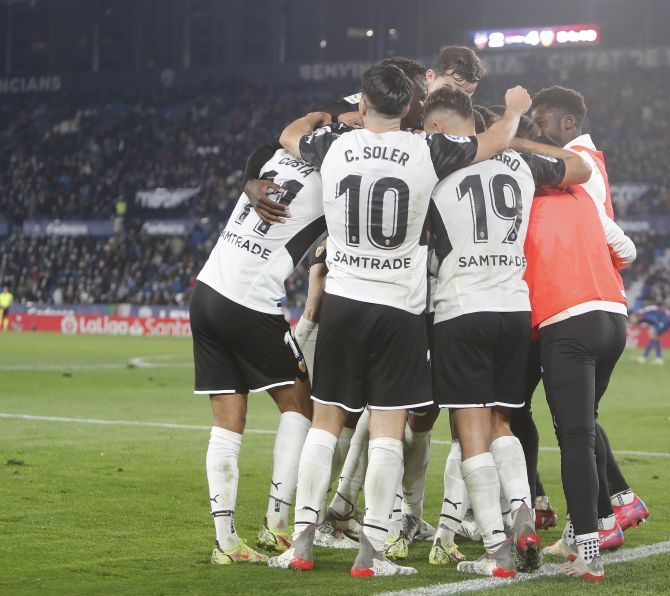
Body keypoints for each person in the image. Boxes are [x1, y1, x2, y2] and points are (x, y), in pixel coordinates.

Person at [270, 63, 532, 578]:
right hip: (401, 309)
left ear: (363, 105)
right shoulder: (428, 149)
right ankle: (372, 550)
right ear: (410, 108)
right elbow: (497, 141)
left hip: (344, 300)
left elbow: (289, 136)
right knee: (389, 429)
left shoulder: (336, 144)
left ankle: (301, 542)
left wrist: (314, 116)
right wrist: (517, 109)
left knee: (326, 422)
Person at [421, 87, 592, 577]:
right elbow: (580, 170)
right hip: (514, 310)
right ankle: (522, 514)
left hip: (461, 307)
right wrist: (517, 144)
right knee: (503, 422)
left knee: (470, 429)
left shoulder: (437, 161)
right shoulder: (521, 164)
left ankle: (497, 551)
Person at [522, 85, 639, 581]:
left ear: (566, 123)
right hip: (611, 313)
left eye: (542, 121)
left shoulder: (561, 174)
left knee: (574, 434)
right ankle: (616, 506)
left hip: (568, 315)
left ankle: (587, 547)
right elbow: (625, 248)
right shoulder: (578, 181)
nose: (537, 130)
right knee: (583, 426)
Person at [190, 141, 326, 565]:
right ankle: (276, 526)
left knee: (227, 423)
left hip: (207, 289)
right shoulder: (333, 175)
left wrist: (250, 182)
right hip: (249, 301)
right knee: (299, 404)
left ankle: (226, 543)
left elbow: (278, 137)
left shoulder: (275, 158)